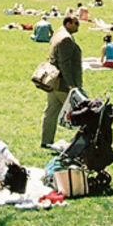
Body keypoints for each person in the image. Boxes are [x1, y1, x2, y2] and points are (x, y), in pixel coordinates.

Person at [41, 15, 82, 149]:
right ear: (68, 23)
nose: (78, 26)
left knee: (51, 112)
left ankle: (46, 141)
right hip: (63, 82)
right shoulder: (65, 39)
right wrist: (72, 85)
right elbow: (65, 63)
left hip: (53, 81)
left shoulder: (59, 33)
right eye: (76, 23)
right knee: (81, 110)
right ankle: (81, 142)